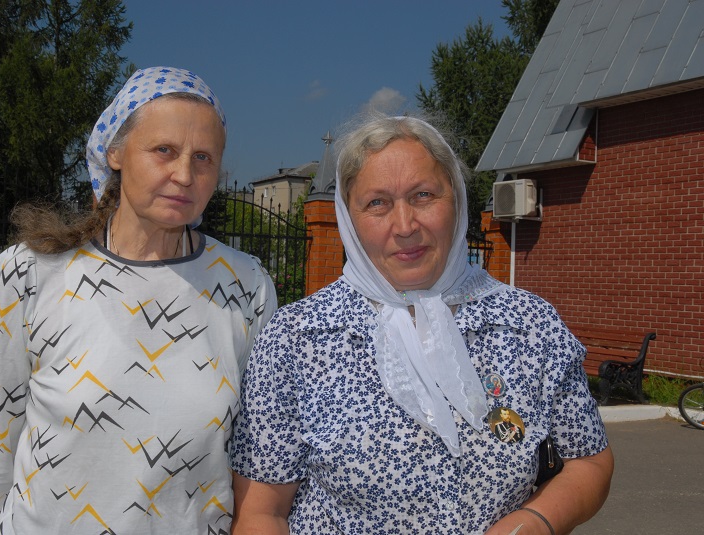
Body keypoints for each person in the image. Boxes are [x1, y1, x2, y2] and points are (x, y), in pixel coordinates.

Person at [230, 113, 613, 534]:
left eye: (423, 195)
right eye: (377, 203)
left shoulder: (529, 325)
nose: (405, 225)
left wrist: (535, 522)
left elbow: (589, 462)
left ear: (457, 200)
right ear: (349, 219)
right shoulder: (296, 338)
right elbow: (261, 512)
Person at [0, 66, 277, 534]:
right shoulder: (30, 274)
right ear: (116, 152)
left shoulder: (245, 285)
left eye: (203, 157)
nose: (184, 174)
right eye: (164, 150)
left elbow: (258, 461)